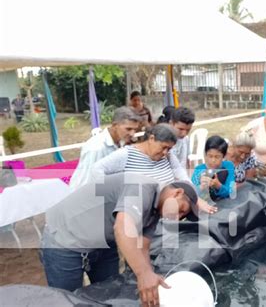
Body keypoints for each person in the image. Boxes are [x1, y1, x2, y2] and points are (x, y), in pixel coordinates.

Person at [41, 172, 198, 306]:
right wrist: (143, 274)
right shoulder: (141, 188)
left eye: (182, 217)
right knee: (66, 300)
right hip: (65, 241)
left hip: (103, 244)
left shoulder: (156, 210)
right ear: (177, 193)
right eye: (182, 210)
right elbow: (122, 228)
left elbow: (142, 245)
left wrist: (150, 278)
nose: (177, 217)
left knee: (108, 294)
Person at [93, 124, 217, 214]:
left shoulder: (168, 155)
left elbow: (181, 175)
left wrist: (195, 199)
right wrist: (115, 198)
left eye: (169, 149)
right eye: (163, 147)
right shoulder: (126, 155)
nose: (165, 152)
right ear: (151, 139)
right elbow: (97, 170)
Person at [69, 107, 140, 191]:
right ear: (114, 125)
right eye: (128, 129)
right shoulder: (96, 148)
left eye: (135, 129)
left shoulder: (120, 141)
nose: (132, 134)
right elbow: (86, 182)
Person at [192, 135, 235, 200]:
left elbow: (231, 192)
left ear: (224, 156)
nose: (213, 160)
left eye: (217, 157)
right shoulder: (199, 169)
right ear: (205, 154)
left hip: (225, 204)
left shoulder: (228, 166)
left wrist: (218, 186)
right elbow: (192, 194)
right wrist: (201, 187)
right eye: (210, 156)